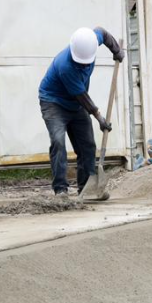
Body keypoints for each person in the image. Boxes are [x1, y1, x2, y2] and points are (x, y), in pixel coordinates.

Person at [38, 27, 125, 195]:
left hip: (76, 104)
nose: (84, 65)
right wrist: (99, 118)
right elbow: (82, 96)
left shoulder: (90, 41)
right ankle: (61, 190)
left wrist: (116, 50)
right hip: (53, 102)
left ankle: (86, 188)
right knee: (58, 142)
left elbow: (103, 33)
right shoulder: (66, 66)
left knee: (87, 145)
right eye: (81, 62)